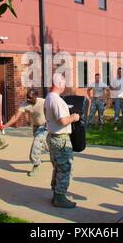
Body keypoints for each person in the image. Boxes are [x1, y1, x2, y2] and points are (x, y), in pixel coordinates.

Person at [45, 73, 80, 208]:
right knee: (65, 168)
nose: (65, 85)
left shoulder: (49, 97)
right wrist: (74, 117)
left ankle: (57, 193)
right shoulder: (56, 100)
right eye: (64, 83)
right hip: (60, 139)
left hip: (53, 137)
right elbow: (63, 120)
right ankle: (60, 197)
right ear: (59, 84)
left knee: (58, 168)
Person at [1, 88, 48, 177]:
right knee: (46, 146)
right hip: (35, 127)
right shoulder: (25, 104)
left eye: (30, 98)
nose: (28, 99)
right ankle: (56, 152)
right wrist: (6, 125)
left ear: (35, 96)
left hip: (44, 126)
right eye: (27, 97)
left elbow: (52, 111)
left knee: (36, 144)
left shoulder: (43, 102)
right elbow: (16, 116)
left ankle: (36, 164)